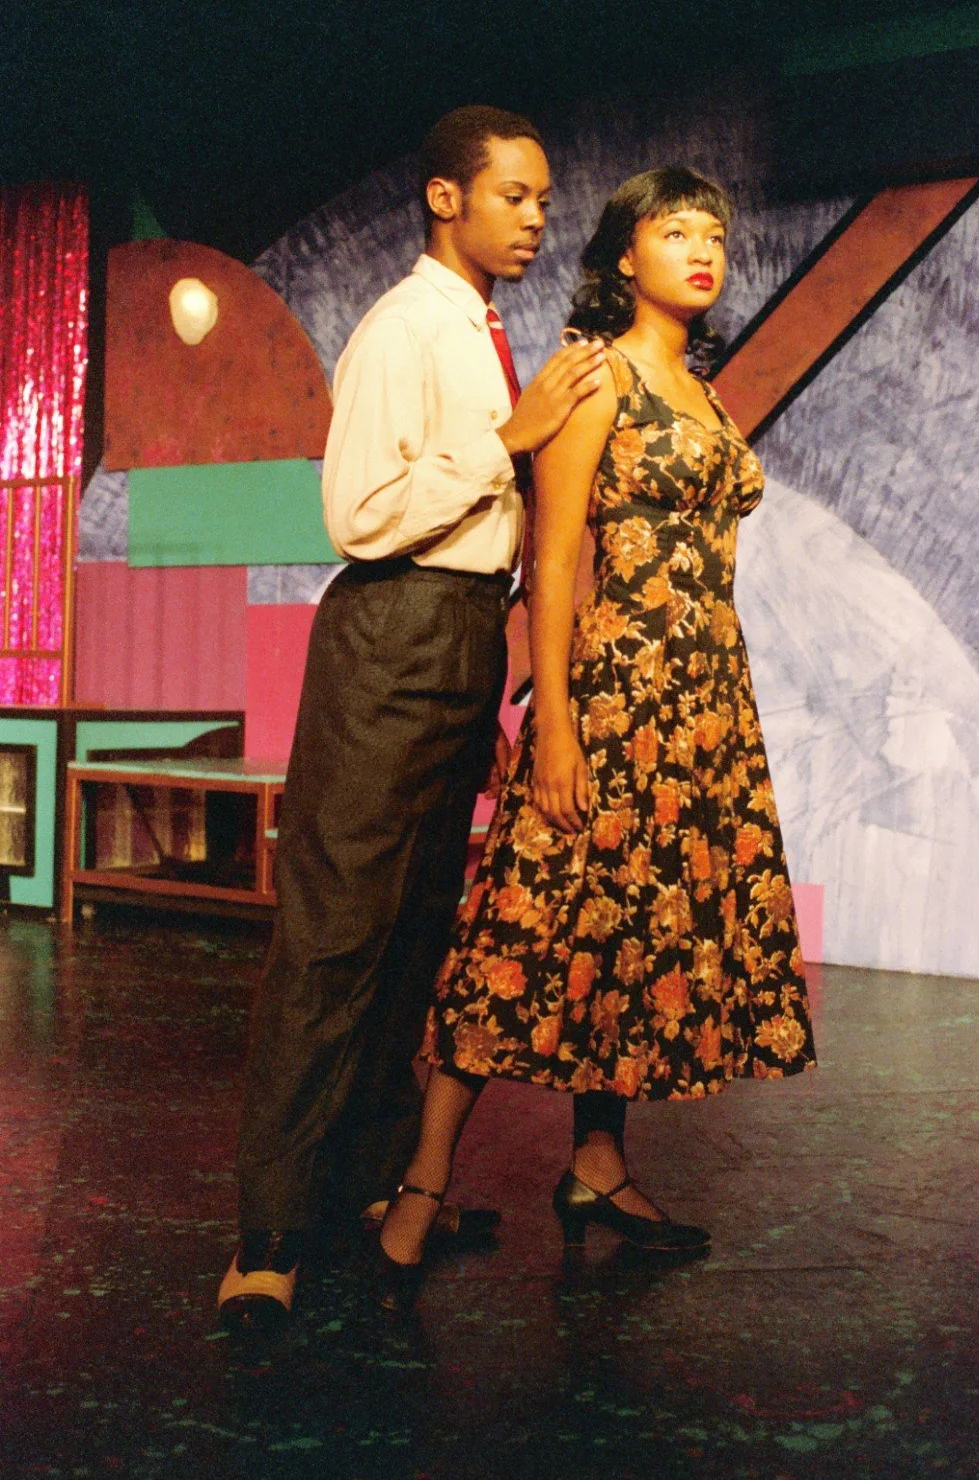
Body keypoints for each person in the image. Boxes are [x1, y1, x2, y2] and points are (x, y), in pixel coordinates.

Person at [375, 166, 818, 1312]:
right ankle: (422, 1185)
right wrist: (555, 728)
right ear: (626, 256)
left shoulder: (701, 390)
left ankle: (598, 1163)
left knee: (633, 934)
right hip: (613, 699)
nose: (702, 249)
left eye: (714, 233)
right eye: (675, 231)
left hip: (703, 704)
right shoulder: (596, 377)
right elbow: (553, 559)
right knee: (527, 922)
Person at [218, 105, 606, 1331]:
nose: (535, 220)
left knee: (415, 935)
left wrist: (483, 678)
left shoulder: (480, 327)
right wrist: (508, 440)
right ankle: (269, 1235)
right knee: (334, 938)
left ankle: (370, 1190)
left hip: (455, 635)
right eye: (513, 196)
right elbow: (358, 516)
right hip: (390, 626)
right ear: (447, 198)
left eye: (543, 201)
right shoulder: (402, 326)